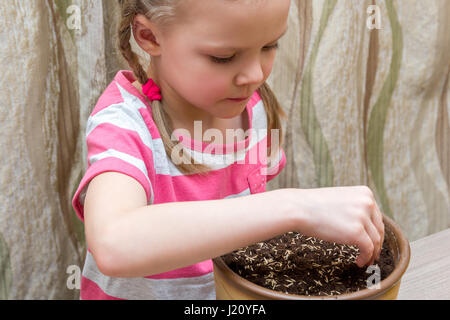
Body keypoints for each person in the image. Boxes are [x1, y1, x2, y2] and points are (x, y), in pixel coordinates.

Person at [72, 0, 384, 300]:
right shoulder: (123, 126)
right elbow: (114, 244)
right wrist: (295, 207)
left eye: (269, 46)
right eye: (224, 57)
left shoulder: (255, 110)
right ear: (149, 36)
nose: (255, 76)